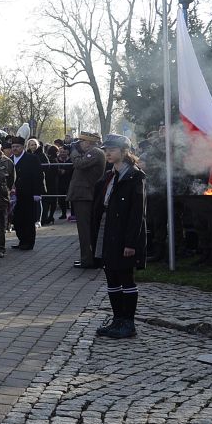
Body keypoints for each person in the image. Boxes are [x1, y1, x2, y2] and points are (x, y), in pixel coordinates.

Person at [91, 134, 146, 339]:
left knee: (125, 277)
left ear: (124, 152)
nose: (108, 153)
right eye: (106, 150)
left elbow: (137, 213)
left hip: (124, 233)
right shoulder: (109, 175)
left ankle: (128, 323)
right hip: (107, 229)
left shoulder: (135, 176)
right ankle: (117, 320)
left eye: (112, 150)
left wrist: (131, 243)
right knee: (111, 276)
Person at [68, 131, 106, 269]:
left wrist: (74, 151)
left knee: (85, 230)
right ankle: (87, 257)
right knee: (84, 229)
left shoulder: (95, 152)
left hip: (85, 195)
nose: (79, 144)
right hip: (83, 195)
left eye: (81, 142)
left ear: (88, 142)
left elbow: (79, 164)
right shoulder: (92, 152)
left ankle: (88, 259)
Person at [9, 135, 45, 250]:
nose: (15, 149)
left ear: (23, 147)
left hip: (28, 193)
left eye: (17, 146)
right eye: (13, 146)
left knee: (28, 219)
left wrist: (37, 193)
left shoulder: (31, 158)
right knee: (17, 220)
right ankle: (22, 240)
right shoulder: (9, 159)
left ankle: (29, 242)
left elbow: (38, 176)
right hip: (15, 195)